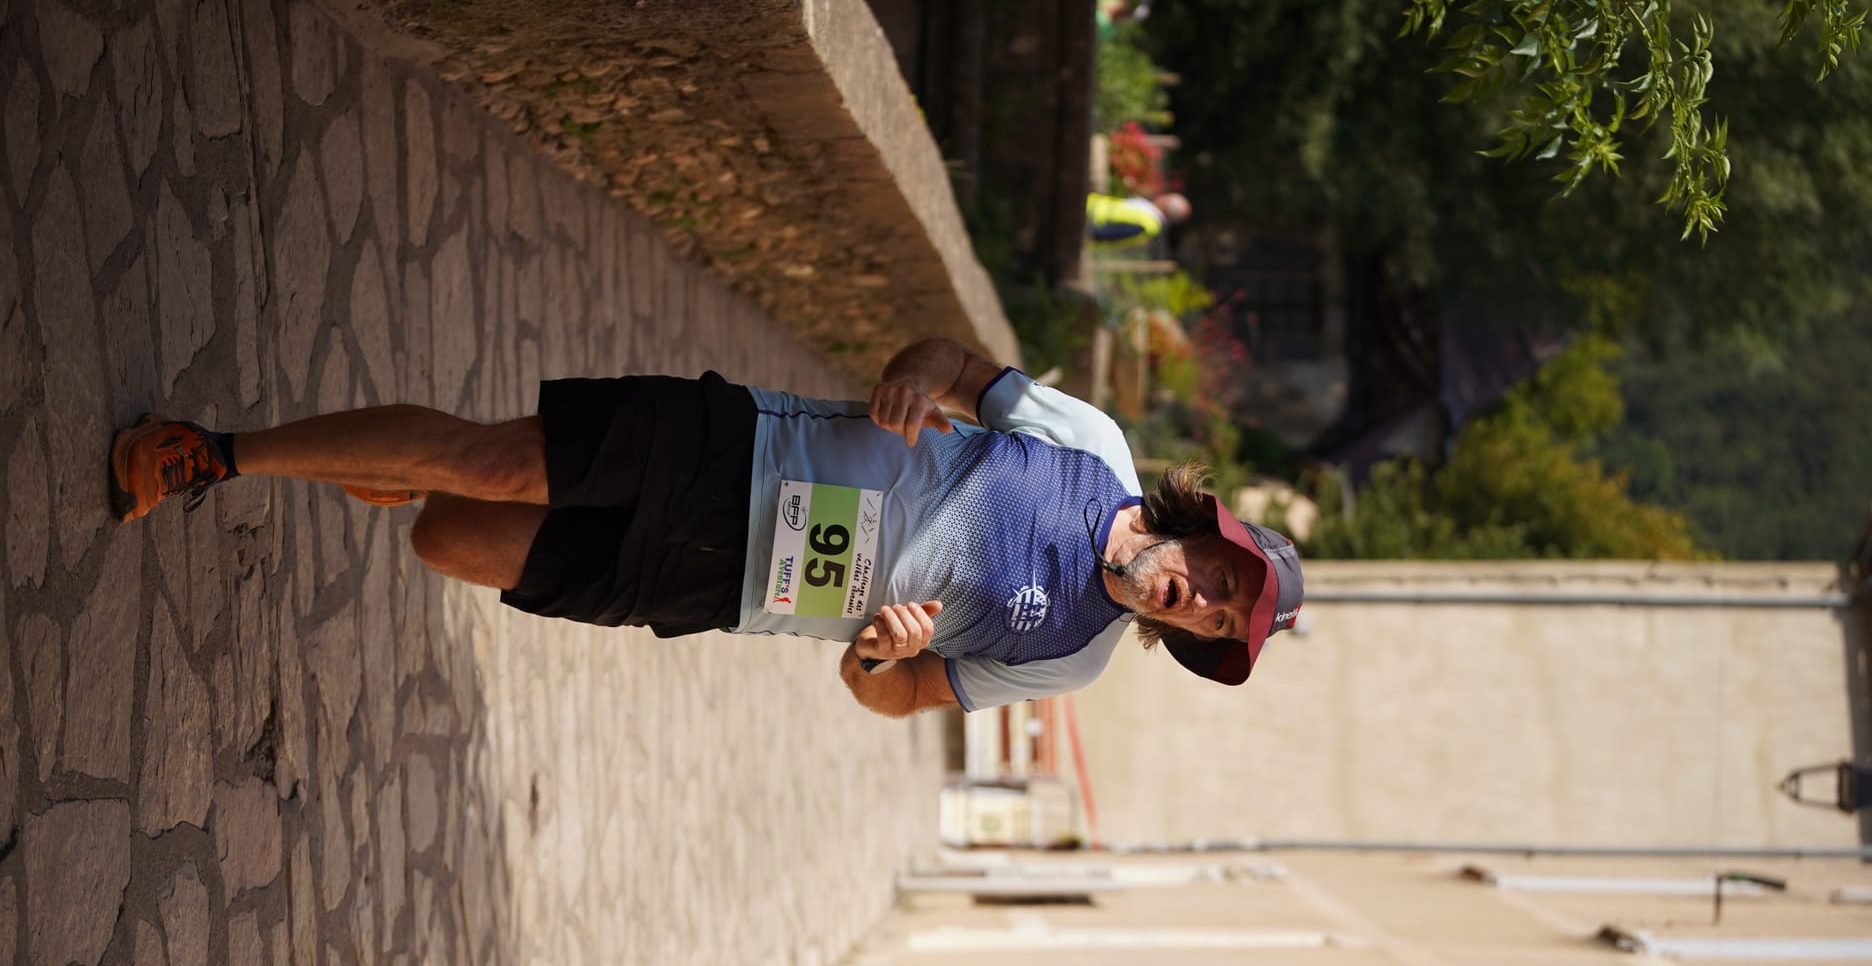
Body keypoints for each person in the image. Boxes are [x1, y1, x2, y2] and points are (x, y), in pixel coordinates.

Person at [108, 338, 1302, 716]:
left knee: (447, 536)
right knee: (486, 459)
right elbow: (944, 363)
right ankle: (213, 451)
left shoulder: (1072, 656)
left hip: (729, 583)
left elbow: (892, 694)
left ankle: (381, 457)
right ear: (1209, 534)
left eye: (1214, 626)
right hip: (739, 450)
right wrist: (909, 379)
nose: (1200, 605)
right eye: (1221, 582)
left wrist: (873, 652)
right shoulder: (1089, 444)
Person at [1086, 190, 1190, 244]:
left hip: (1085, 221)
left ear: (1166, 204)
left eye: (1167, 196)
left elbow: (1110, 232)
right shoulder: (1149, 213)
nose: (1162, 196)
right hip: (1085, 212)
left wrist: (1085, 231)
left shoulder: (1149, 223)